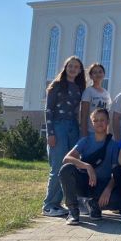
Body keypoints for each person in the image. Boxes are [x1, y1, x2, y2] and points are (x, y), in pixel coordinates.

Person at [59, 108, 121, 225]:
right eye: (96, 120)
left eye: (102, 120)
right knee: (66, 169)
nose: (99, 123)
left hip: (102, 185)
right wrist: (87, 166)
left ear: (108, 122)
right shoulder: (85, 141)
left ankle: (92, 204)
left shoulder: (114, 145)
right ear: (92, 123)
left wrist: (108, 190)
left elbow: (116, 172)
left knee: (120, 201)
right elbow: (66, 159)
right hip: (85, 183)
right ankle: (73, 210)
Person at [42, 56, 86, 217]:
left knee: (70, 165)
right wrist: (50, 133)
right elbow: (48, 110)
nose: (73, 69)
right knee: (57, 165)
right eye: (70, 66)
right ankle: (49, 205)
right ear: (65, 67)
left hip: (73, 127)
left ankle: (63, 203)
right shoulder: (56, 86)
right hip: (58, 126)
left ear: (80, 71)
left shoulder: (80, 88)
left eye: (76, 67)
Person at [80, 63, 111, 137]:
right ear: (90, 76)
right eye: (95, 72)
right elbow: (84, 115)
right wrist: (84, 134)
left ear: (104, 74)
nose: (98, 74)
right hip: (91, 132)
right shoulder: (88, 91)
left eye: (100, 72)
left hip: (103, 133)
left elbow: (108, 114)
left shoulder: (106, 93)